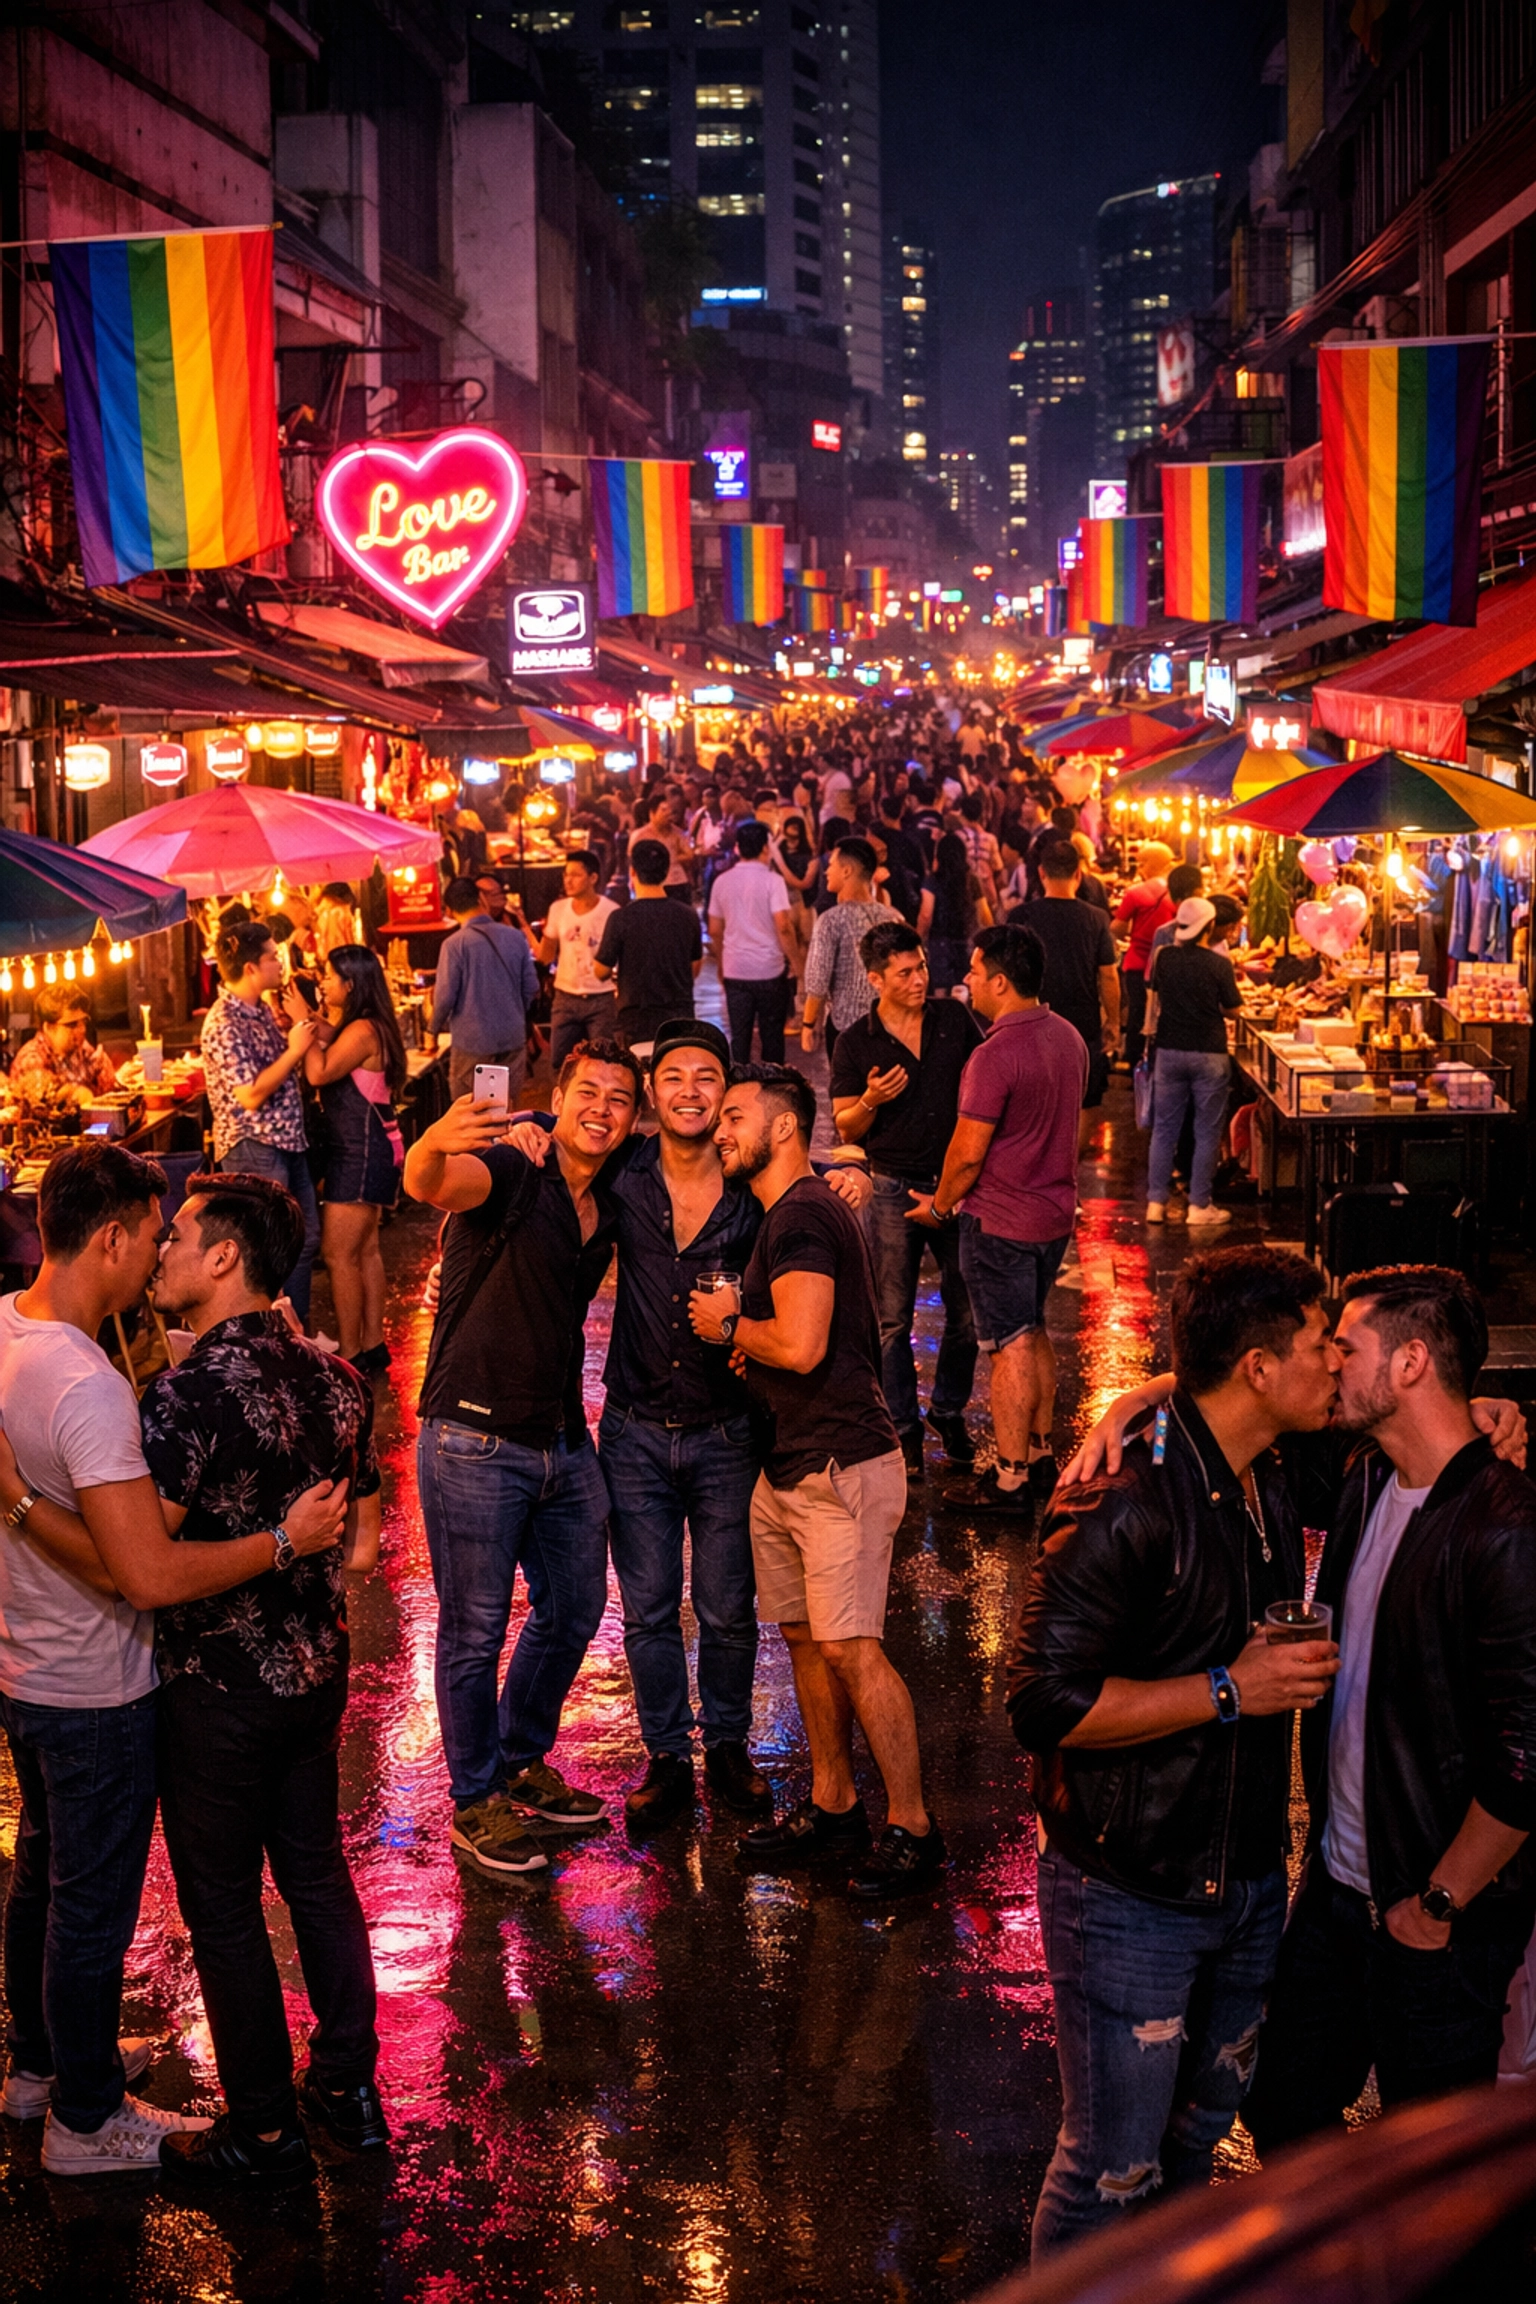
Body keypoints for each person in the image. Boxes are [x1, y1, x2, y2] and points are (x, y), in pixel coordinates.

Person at [0, 1144, 346, 2174]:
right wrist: (284, 1541)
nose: (158, 1252)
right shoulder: (94, 1386)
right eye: (152, 1234)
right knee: (92, 1905)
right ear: (108, 1237)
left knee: (44, 1882)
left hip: (25, 1662)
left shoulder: (13, 1332)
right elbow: (141, 1577)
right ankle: (87, 2119)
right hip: (97, 1679)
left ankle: (39, 2069)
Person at [1008, 1246, 1343, 2258]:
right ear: (1258, 1366)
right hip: (1129, 1890)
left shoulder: (1271, 1461)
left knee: (1195, 2145)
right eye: (1322, 1346)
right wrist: (1232, 1690)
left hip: (1240, 1878)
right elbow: (1041, 1702)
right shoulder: (1121, 1494)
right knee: (1111, 2167)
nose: (1338, 1365)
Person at [1242, 1264, 1536, 2150]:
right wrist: (1126, 1403)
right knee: (1283, 2103)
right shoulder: (1367, 1477)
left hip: (1434, 1919)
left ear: (1410, 1363)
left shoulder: (1505, 1529)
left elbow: (1529, 1761)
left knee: (1435, 2167)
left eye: (1347, 1347)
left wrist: (1437, 1906)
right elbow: (1234, 1389)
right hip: (1338, 1889)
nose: (1330, 1364)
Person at [139, 1173, 384, 2185]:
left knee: (227, 1906)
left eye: (181, 1235)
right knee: (318, 1878)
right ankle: (348, 2090)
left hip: (218, 1688)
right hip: (315, 1675)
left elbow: (143, 1549)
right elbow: (363, 1548)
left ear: (227, 1256)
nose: (162, 1250)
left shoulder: (187, 1393)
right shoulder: (335, 1379)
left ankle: (265, 2129)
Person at [689, 1066, 945, 1899]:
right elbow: (796, 1340)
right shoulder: (792, 1212)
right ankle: (835, 1806)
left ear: (786, 1127)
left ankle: (913, 1828)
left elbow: (799, 1346)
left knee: (850, 1648)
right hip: (791, 1464)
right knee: (804, 1638)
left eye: (734, 1116)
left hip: (839, 1465)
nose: (719, 1130)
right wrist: (751, 1336)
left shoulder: (799, 1214)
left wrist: (731, 1322)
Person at [404, 1043, 641, 1877]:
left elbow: (719, 1144)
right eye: (587, 1093)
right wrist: (438, 1138)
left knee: (574, 1606)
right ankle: (475, 1803)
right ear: (559, 1098)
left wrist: (845, 1166)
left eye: (619, 1099)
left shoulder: (609, 1200)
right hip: (472, 1436)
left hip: (560, 1438)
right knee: (473, 1631)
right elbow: (432, 1181)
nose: (601, 1109)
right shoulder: (511, 1168)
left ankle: (517, 1761)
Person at [910, 926, 1085, 1517]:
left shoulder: (994, 1054)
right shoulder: (1068, 1037)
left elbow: (965, 1155)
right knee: (1032, 1331)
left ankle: (1009, 1479)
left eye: (976, 973)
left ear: (1002, 983)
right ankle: (1039, 1456)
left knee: (1007, 1345)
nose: (968, 982)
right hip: (1054, 1216)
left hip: (1001, 1222)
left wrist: (937, 1207)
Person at [830, 922, 983, 1472]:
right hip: (892, 1187)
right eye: (906, 972)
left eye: (921, 966)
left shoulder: (954, 1019)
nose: (921, 978)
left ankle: (947, 1409)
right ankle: (902, 1429)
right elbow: (845, 1128)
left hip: (955, 1184)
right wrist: (871, 1099)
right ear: (876, 980)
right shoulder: (855, 1041)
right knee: (892, 1318)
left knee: (968, 1310)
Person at [201, 921, 321, 1325]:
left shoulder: (260, 1009)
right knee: (269, 1250)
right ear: (251, 967)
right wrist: (295, 1051)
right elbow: (249, 1094)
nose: (279, 963)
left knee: (304, 1240)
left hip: (288, 1141)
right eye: (272, 956)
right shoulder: (223, 1021)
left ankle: (295, 1331)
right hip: (254, 1145)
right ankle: (274, 1340)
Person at [303, 944, 408, 1371]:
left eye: (328, 977)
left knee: (338, 1254)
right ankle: (372, 1342)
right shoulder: (366, 1024)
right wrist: (312, 1021)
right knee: (366, 1251)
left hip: (362, 1150)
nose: (323, 983)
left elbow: (319, 1072)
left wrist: (299, 1025)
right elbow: (330, 1037)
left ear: (350, 983)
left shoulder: (364, 1029)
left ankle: (351, 1352)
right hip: (375, 1145)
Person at [1011, 838, 1121, 1153]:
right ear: (1079, 874)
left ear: (1042, 872)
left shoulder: (1021, 916)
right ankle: (1067, 1171)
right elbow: (1108, 975)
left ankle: (1037, 1167)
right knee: (1086, 1100)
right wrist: (1113, 1021)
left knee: (1033, 1101)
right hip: (1082, 1024)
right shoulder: (1097, 918)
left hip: (1031, 1022)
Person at [1144, 897, 1241, 1228]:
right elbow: (1232, 1009)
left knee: (1164, 1130)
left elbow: (1156, 991)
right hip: (1209, 1053)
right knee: (1206, 1132)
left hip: (1169, 1052)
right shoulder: (1218, 964)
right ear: (1210, 926)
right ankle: (1199, 1206)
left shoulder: (1164, 957)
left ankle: (1155, 1204)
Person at [430, 876, 539, 1106]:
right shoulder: (516, 937)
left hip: (473, 1045)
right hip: (512, 1039)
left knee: (469, 1116)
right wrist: (513, 1011)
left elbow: (445, 997)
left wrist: (432, 1030)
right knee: (504, 1111)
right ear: (481, 898)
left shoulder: (454, 944)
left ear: (448, 910)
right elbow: (532, 987)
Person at [594, 837, 703, 1050]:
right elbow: (695, 968)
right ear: (666, 872)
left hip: (635, 1019)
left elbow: (601, 971)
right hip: (679, 1017)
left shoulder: (621, 917)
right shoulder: (687, 915)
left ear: (632, 872)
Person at [799, 837, 899, 1068]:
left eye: (831, 865)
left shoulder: (831, 921)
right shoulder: (894, 917)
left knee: (847, 1097)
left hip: (845, 1028)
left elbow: (818, 981)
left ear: (847, 871)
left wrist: (807, 1024)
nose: (826, 872)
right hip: (889, 1026)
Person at [708, 820, 799, 1063]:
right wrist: (797, 964)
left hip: (735, 970)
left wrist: (720, 963)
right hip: (770, 971)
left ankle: (738, 1087)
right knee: (772, 1037)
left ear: (737, 848)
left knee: (740, 1037)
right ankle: (772, 1088)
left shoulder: (721, 881)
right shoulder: (773, 881)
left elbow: (715, 929)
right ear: (765, 848)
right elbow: (784, 926)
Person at [540, 850, 619, 1066]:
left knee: (603, 1063)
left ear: (593, 878)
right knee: (561, 1063)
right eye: (566, 875)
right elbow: (545, 956)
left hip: (600, 998)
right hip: (565, 997)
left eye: (575, 875)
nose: (568, 880)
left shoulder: (611, 912)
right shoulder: (557, 909)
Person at [1114, 840, 1175, 1068]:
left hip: (1138, 962)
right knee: (1164, 1012)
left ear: (1149, 863)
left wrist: (1134, 931)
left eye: (1140, 862)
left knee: (1137, 1012)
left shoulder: (1135, 893)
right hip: (1168, 964)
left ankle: (1134, 1060)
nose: (1139, 867)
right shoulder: (1176, 892)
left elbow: (1117, 927)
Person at [8, 983, 117, 1105]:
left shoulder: (82, 1049)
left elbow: (109, 1093)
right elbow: (48, 1104)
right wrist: (76, 1094)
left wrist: (117, 1077)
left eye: (83, 1021)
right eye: (72, 1024)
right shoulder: (31, 1059)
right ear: (48, 1027)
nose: (82, 1029)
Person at [918, 831, 991, 995]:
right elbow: (984, 914)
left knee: (940, 992)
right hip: (966, 942)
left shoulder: (932, 881)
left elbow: (926, 915)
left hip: (939, 943)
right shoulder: (971, 880)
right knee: (964, 988)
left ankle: (942, 1020)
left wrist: (919, 938)